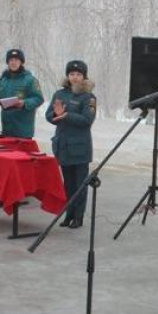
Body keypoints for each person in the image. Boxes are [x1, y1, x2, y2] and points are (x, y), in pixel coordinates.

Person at [45, 60, 96, 229]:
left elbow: (87, 120)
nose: (75, 77)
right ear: (68, 75)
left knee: (80, 185)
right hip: (63, 147)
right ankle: (68, 214)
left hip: (80, 149)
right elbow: (49, 116)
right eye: (72, 74)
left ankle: (78, 217)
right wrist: (55, 114)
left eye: (79, 74)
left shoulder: (88, 97)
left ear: (84, 76)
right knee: (67, 184)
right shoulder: (59, 94)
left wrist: (66, 115)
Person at [0, 48, 44, 139]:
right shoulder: (3, 80)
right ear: (7, 62)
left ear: (21, 62)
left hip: (23, 132)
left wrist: (24, 103)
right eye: (11, 60)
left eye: (16, 60)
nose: (13, 62)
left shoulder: (30, 80)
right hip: (6, 131)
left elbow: (38, 98)